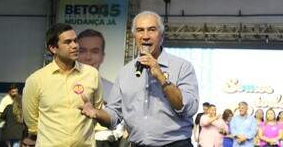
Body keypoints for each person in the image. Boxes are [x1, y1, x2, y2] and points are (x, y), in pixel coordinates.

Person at [80, 11, 199, 146]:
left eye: (152, 30)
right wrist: (97, 113)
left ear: (162, 36)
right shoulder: (125, 72)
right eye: (140, 30)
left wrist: (161, 77)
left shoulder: (182, 67)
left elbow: (189, 109)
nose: (145, 36)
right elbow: (114, 115)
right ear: (134, 36)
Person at [22, 23, 103, 146]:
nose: (75, 46)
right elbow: (32, 122)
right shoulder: (36, 80)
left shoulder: (92, 74)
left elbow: (97, 111)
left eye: (75, 41)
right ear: (53, 48)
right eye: (68, 42)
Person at [78, 29, 124, 147]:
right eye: (82, 51)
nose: (88, 57)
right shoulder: (62, 85)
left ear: (102, 56)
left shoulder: (113, 90)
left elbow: (119, 124)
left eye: (94, 51)